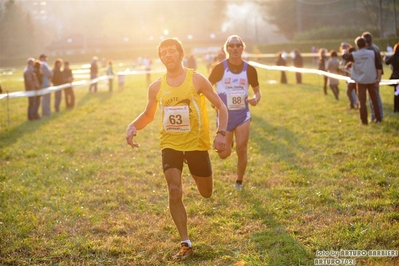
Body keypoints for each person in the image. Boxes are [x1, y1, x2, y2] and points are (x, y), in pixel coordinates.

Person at [125, 38, 228, 261]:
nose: (168, 56)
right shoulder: (156, 87)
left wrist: (222, 133)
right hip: (170, 143)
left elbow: (221, 106)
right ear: (160, 57)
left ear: (181, 54)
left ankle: (197, 173)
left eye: (172, 51)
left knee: (206, 193)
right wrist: (133, 126)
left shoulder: (197, 80)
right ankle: (185, 241)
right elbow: (149, 115)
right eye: (163, 53)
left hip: (196, 145)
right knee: (174, 190)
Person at [208, 35, 261, 190]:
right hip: (225, 115)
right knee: (224, 154)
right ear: (227, 48)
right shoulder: (219, 68)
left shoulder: (250, 70)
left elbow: (258, 92)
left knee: (242, 149)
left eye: (238, 45)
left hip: (242, 115)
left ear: (242, 48)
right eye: (231, 45)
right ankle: (227, 141)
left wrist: (256, 98)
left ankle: (239, 181)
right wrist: (215, 101)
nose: (235, 48)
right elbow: (206, 87)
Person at [342, 36, 382, 125]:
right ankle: (378, 119)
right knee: (374, 100)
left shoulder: (354, 55)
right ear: (365, 44)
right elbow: (379, 66)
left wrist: (344, 49)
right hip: (372, 79)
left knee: (362, 101)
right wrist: (378, 78)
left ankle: (364, 121)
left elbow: (344, 56)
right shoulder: (372, 53)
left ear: (357, 45)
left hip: (361, 81)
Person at [362, 32, 384, 122]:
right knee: (375, 97)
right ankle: (377, 115)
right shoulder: (375, 48)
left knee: (373, 98)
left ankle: (376, 116)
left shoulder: (370, 50)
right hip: (376, 74)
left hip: (373, 75)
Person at [340, 42, 358, 109]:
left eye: (345, 46)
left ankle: (354, 103)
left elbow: (347, 60)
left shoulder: (350, 55)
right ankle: (354, 103)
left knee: (352, 91)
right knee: (352, 91)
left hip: (352, 76)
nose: (344, 48)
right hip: (348, 75)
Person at [384, 42, 399, 112]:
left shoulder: (393, 56)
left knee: (396, 92)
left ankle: (396, 108)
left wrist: (385, 58)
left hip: (395, 76)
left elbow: (387, 62)